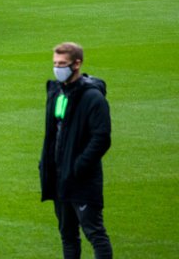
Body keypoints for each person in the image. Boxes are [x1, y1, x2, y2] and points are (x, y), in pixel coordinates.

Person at [40, 42, 113, 259]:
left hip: (82, 179)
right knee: (67, 235)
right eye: (55, 63)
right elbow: (53, 133)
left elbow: (101, 138)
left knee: (95, 234)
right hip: (59, 177)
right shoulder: (57, 93)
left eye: (62, 64)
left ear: (77, 64)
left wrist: (79, 165)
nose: (57, 68)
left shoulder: (93, 98)